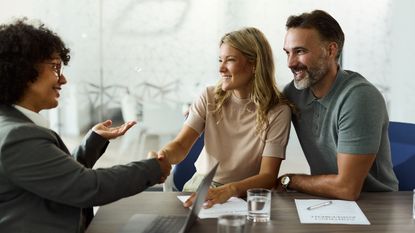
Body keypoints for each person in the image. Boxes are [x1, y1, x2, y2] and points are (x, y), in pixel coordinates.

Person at [0, 19, 171, 233]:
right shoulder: (17, 136)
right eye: (55, 67)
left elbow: (57, 178)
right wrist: (154, 167)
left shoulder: (13, 124)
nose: (63, 79)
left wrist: (93, 142)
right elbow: (86, 187)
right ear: (23, 71)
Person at [156, 27, 292, 208]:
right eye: (220, 60)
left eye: (230, 60)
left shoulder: (278, 111)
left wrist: (229, 190)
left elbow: (268, 176)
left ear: (254, 65)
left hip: (245, 195)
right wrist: (162, 157)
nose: (221, 68)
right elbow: (181, 145)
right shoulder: (209, 96)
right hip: (201, 187)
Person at [277, 10, 398, 200]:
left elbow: (346, 189)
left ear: (331, 50)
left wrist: (291, 180)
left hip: (375, 205)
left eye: (300, 51)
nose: (290, 63)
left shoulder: (359, 97)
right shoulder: (293, 93)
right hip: (326, 200)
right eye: (288, 52)